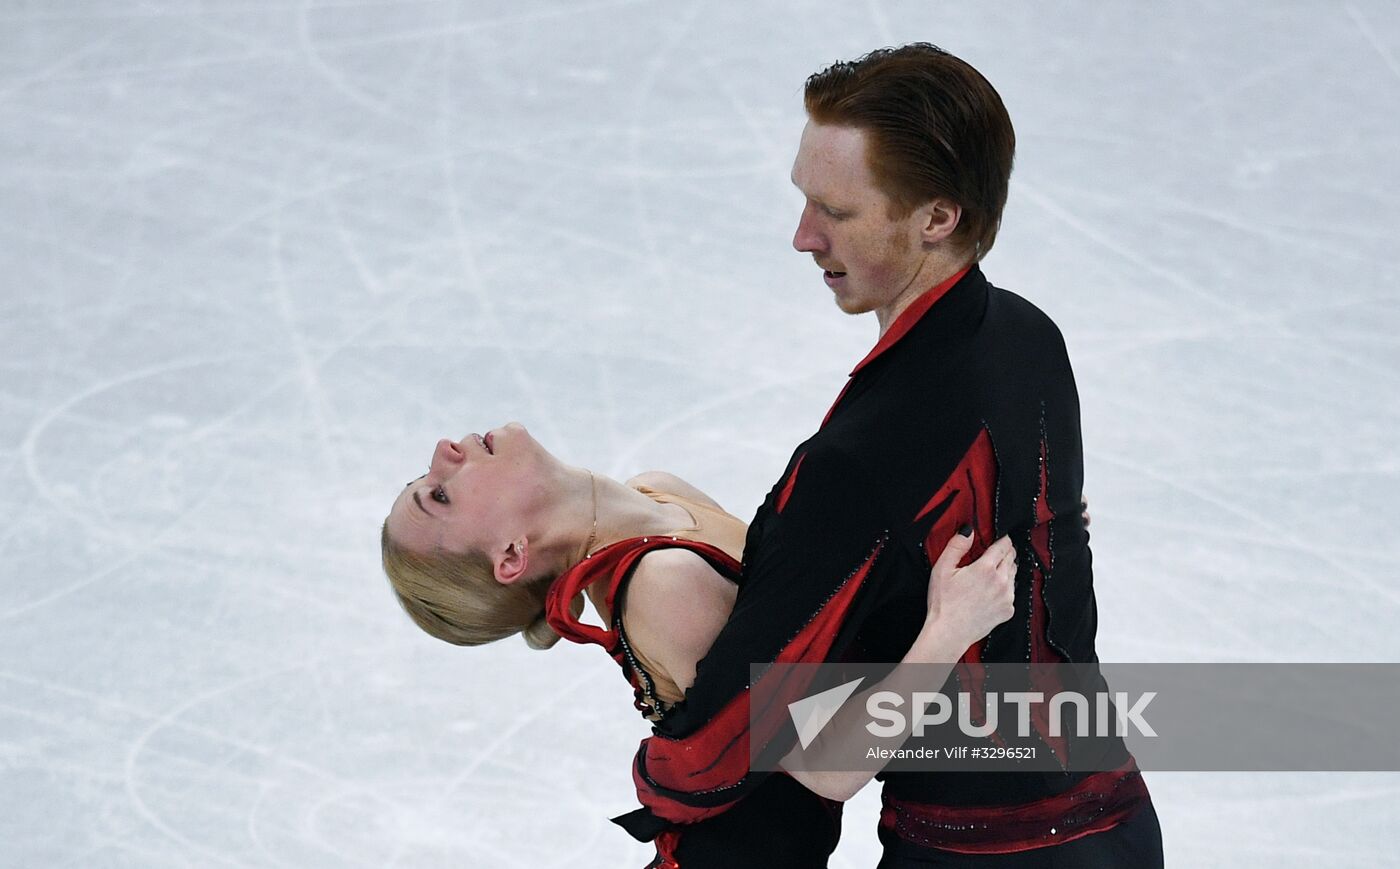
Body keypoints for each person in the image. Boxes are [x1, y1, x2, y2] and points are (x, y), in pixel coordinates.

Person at [616, 44, 1165, 868]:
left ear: (937, 217)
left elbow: (750, 736)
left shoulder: (857, 459)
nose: (803, 236)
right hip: (1117, 823)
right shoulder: (1029, 335)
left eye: (834, 210)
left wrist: (667, 764)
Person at [380, 421, 1023, 866]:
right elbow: (829, 767)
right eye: (439, 496)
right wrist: (949, 628)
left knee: (1084, 725)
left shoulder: (657, 492)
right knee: (1086, 730)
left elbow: (813, 622)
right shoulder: (662, 586)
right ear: (512, 555)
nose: (444, 451)